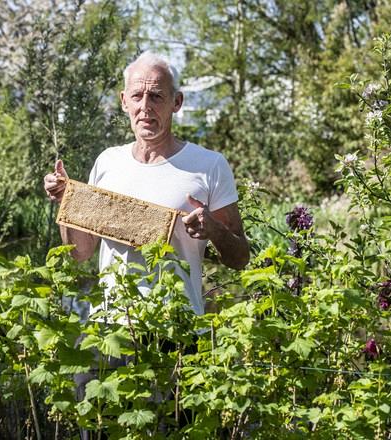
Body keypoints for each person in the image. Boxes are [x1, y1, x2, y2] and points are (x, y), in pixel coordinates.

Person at [44, 51, 249, 318]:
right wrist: (68, 200)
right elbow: (81, 253)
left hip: (178, 327)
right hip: (110, 325)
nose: (145, 107)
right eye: (137, 96)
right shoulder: (108, 162)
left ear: (176, 102)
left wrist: (215, 230)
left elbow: (240, 258)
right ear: (123, 101)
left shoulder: (209, 165)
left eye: (156, 96)